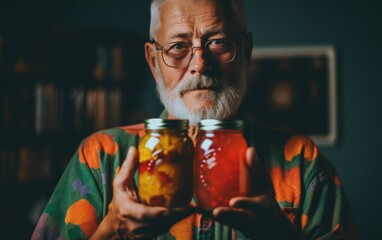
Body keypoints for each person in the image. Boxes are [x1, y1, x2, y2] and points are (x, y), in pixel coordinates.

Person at [32, 0, 359, 239]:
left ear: (245, 51)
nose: (200, 63)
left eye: (217, 42)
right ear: (152, 60)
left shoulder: (301, 161)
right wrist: (113, 231)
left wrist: (275, 234)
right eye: (178, 46)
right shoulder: (100, 156)